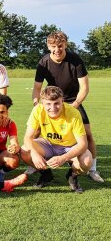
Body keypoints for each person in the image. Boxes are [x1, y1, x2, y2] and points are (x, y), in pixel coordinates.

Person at [32, 31, 103, 183]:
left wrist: (75, 105)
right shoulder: (44, 62)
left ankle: (92, 170)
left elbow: (84, 87)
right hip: (51, 101)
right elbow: (37, 88)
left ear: (65, 45)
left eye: (60, 46)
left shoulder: (75, 60)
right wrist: (36, 104)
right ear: (48, 46)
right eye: (53, 46)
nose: (57, 49)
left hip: (72, 100)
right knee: (36, 131)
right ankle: (36, 164)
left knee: (88, 133)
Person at [21, 86, 93, 193]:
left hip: (70, 146)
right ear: (42, 103)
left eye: (56, 103)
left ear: (62, 100)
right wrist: (35, 155)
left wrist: (63, 158)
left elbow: (83, 144)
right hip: (48, 144)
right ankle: (46, 174)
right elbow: (27, 137)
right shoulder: (38, 110)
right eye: (48, 104)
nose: (53, 108)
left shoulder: (73, 113)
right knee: (24, 151)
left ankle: (72, 176)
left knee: (86, 161)